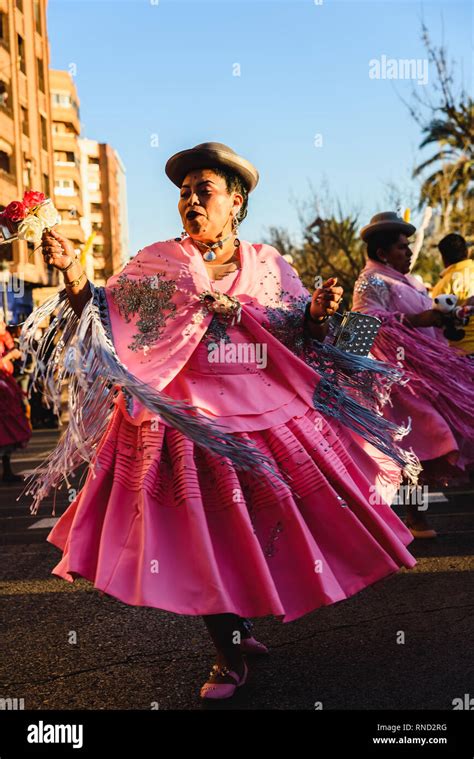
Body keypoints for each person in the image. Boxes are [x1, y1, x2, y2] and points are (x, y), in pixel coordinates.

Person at [21, 145, 418, 701]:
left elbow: (299, 331)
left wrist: (313, 314)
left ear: (236, 201)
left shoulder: (268, 265)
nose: (189, 200)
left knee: (253, 526)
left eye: (202, 190)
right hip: (183, 418)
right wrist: (72, 272)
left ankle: (240, 624)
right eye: (183, 192)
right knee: (200, 532)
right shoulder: (159, 262)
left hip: (263, 413)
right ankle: (228, 655)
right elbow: (105, 312)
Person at [353, 212, 474, 539]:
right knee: (420, 442)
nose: (409, 253)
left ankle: (415, 519)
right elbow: (363, 328)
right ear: (382, 253)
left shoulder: (413, 282)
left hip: (427, 375)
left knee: (432, 441)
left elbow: (429, 318)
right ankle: (410, 518)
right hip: (395, 379)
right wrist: (419, 320)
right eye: (402, 248)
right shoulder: (370, 281)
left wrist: (455, 314)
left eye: (408, 247)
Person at [431, 233, 474, 356]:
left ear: (444, 258)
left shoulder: (443, 285)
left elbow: (438, 324)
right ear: (466, 252)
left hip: (463, 354)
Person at [0, 318, 31, 482]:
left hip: (5, 388)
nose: (4, 325)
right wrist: (10, 355)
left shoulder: (3, 339)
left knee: (7, 430)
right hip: (2, 391)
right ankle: (6, 472)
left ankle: (7, 471)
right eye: (0, 323)